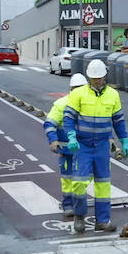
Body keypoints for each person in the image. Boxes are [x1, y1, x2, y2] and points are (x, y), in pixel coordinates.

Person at [63, 59, 128, 234]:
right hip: (82, 145)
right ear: (88, 78)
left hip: (101, 146)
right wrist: (71, 136)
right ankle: (79, 216)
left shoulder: (113, 95)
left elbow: (118, 120)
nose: (96, 81)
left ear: (104, 77)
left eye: (99, 78)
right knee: (79, 182)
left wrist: (124, 140)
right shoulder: (78, 94)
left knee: (103, 184)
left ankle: (103, 220)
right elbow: (69, 117)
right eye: (93, 79)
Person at [43, 72, 87, 219]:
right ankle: (68, 204)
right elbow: (50, 123)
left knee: (82, 179)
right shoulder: (62, 104)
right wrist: (53, 140)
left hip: (84, 151)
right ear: (72, 89)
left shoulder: (89, 104)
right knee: (68, 179)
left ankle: (78, 204)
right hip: (66, 150)